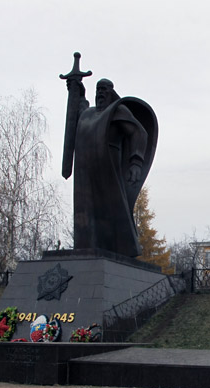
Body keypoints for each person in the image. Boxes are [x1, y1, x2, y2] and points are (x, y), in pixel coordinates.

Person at [65, 77, 157, 257]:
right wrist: (77, 92)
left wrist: (136, 162)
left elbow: (139, 133)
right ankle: (88, 246)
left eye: (104, 90)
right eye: (98, 89)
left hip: (108, 165)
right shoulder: (88, 114)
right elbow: (78, 112)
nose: (100, 93)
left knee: (111, 208)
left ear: (111, 92)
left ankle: (120, 248)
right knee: (86, 209)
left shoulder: (117, 111)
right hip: (84, 168)